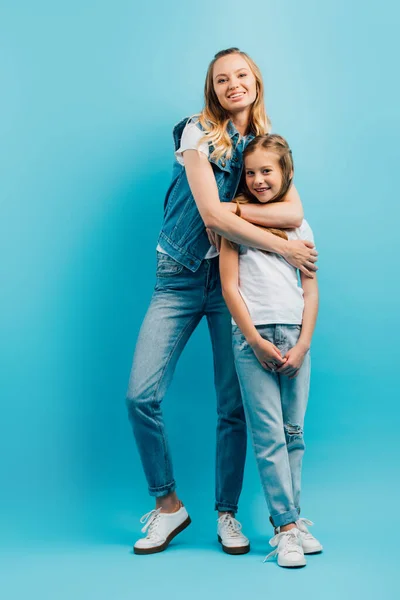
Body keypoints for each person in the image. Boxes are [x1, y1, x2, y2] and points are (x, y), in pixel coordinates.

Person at [126, 48, 318, 556]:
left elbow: (293, 205)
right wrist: (282, 243)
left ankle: (226, 514)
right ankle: (168, 507)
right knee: (139, 396)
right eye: (222, 79)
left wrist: (254, 216)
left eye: (242, 75)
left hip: (233, 284)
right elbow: (211, 214)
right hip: (179, 276)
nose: (233, 84)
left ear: (255, 81)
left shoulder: (262, 146)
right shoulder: (195, 132)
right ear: (212, 89)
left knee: (233, 407)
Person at [219, 133, 323, 568]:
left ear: (286, 174)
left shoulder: (300, 225)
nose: (259, 179)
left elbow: (311, 290)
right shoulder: (234, 226)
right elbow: (229, 287)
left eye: (268, 171)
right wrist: (256, 340)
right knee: (268, 437)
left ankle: (294, 521)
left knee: (293, 435)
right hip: (253, 339)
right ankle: (283, 529)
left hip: (295, 339)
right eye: (251, 172)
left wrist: (303, 344)